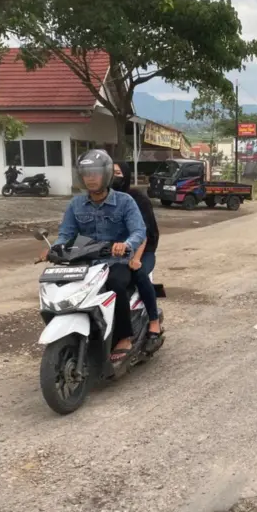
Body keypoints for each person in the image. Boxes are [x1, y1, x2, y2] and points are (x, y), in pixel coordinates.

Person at [53, 149, 147, 363]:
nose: (91, 178)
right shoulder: (76, 204)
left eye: (95, 173)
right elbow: (66, 234)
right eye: (86, 174)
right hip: (85, 262)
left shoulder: (125, 201)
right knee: (64, 287)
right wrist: (56, 248)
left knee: (115, 285)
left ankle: (124, 337)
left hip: (116, 262)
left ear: (106, 175)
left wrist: (126, 245)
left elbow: (139, 231)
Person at [111, 161, 162, 344]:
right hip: (115, 251)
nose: (114, 176)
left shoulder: (137, 199)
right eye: (110, 172)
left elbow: (143, 233)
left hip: (143, 250)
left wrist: (136, 259)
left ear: (125, 175)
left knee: (138, 274)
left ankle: (154, 321)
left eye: (118, 173)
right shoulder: (105, 198)